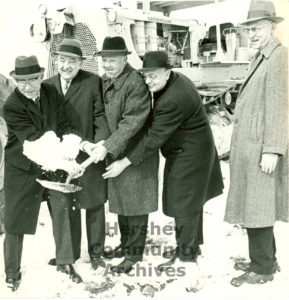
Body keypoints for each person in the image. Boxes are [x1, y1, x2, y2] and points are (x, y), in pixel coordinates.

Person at [103, 51, 224, 270]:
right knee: (188, 200)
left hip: (191, 154)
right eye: (145, 76)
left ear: (167, 72)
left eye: (153, 76)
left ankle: (187, 256)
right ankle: (190, 247)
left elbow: (153, 138)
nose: (148, 81)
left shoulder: (173, 99)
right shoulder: (174, 80)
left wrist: (125, 162)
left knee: (184, 202)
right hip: (190, 148)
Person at [3, 55, 84, 291]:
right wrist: (65, 162)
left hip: (54, 161)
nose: (27, 86)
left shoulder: (50, 92)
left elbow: (65, 124)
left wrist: (71, 149)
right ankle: (11, 272)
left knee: (62, 210)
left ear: (40, 77)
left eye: (32, 80)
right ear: (15, 81)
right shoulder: (12, 106)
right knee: (15, 220)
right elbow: (34, 142)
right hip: (23, 166)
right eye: (21, 81)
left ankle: (65, 262)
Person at [224, 1, 288, 287]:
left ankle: (262, 269)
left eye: (258, 28)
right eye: (249, 29)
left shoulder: (278, 57)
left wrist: (273, 149)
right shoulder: (262, 57)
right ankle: (265, 259)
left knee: (258, 208)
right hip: (253, 147)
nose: (252, 34)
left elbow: (280, 107)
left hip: (263, 148)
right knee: (255, 206)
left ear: (272, 27)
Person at [93, 36, 159, 274]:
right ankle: (125, 244)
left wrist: (106, 146)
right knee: (121, 202)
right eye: (104, 60)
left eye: (112, 60)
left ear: (124, 59)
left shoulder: (135, 83)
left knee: (137, 205)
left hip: (136, 154)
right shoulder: (105, 80)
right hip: (116, 149)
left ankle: (134, 255)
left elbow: (131, 123)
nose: (107, 65)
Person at [44, 38, 110, 270]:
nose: (66, 66)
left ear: (81, 63)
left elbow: (100, 116)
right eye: (62, 60)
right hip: (61, 158)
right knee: (65, 206)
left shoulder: (92, 82)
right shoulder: (47, 85)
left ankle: (96, 255)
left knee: (93, 204)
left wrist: (100, 143)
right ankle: (67, 255)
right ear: (56, 61)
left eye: (72, 61)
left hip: (88, 155)